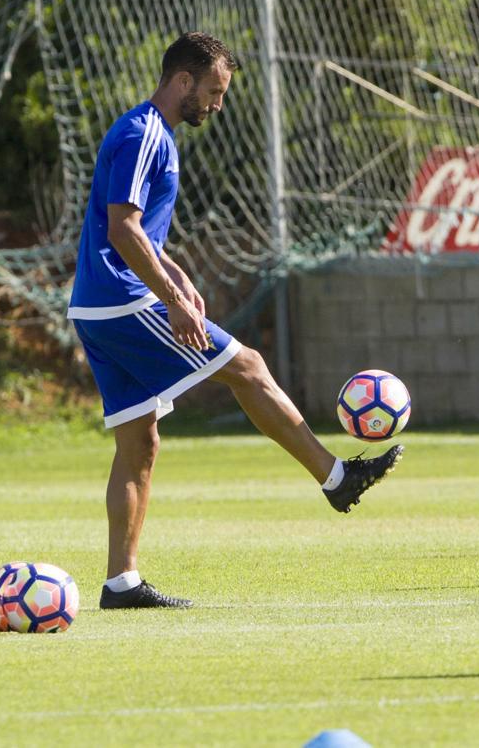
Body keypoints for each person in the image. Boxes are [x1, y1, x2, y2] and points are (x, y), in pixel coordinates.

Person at [67, 31, 401, 610]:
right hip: (123, 301)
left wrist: (176, 272)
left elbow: (130, 227)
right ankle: (335, 478)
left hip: (96, 306)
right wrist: (169, 295)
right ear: (183, 81)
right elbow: (121, 228)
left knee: (139, 441)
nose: (218, 105)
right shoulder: (145, 132)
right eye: (214, 92)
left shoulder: (150, 134)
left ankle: (121, 583)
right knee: (246, 366)